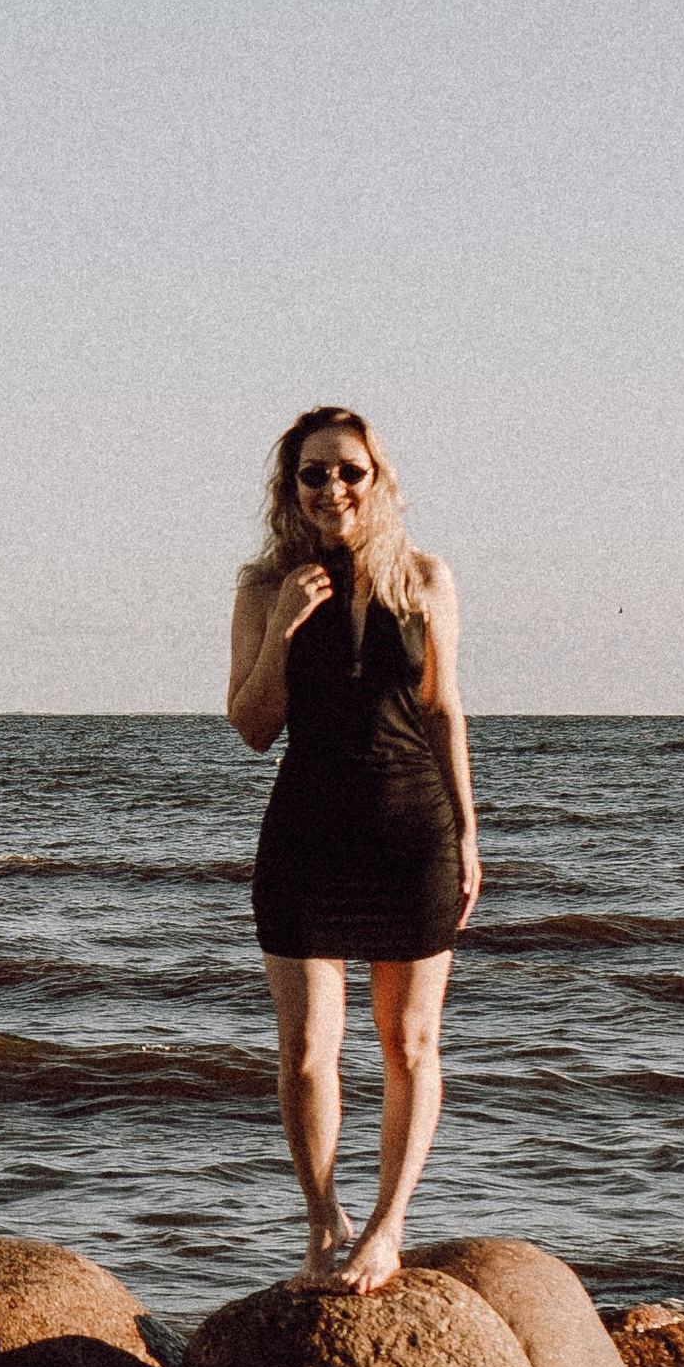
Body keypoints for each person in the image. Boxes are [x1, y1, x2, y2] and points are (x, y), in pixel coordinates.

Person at [226, 405, 481, 1288]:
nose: (331, 487)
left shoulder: (425, 578)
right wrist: (287, 626)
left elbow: (445, 710)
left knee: (409, 1044)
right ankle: (322, 1217)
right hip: (306, 830)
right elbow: (253, 725)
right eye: (312, 473)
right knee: (305, 1052)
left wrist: (470, 831)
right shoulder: (265, 587)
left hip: (413, 828)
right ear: (289, 488)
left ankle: (386, 1226)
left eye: (349, 471)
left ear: (377, 480)